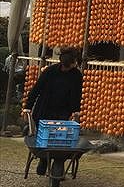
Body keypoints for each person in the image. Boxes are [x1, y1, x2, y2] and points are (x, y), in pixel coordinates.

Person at [22, 47, 83, 176]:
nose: (72, 67)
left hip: (62, 110)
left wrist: (76, 111)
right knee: (45, 138)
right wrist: (28, 106)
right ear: (65, 63)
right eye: (71, 65)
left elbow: (76, 95)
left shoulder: (76, 75)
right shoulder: (50, 72)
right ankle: (44, 159)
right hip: (44, 109)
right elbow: (36, 89)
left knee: (60, 139)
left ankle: (57, 161)